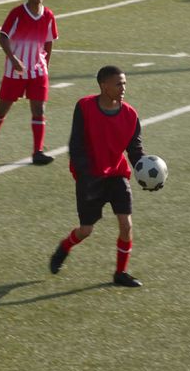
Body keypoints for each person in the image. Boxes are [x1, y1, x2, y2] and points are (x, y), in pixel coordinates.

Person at [49, 65, 160, 287]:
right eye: (118, 84)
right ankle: (65, 247)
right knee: (86, 230)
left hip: (117, 175)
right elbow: (76, 144)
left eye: (125, 83)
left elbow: (135, 149)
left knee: (126, 224)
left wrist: (146, 171)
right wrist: (85, 174)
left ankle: (121, 273)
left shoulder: (130, 114)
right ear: (104, 86)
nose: (123, 88)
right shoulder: (85, 107)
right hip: (90, 177)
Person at [0, 0, 58, 165]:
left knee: (39, 109)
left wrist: (46, 65)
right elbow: (3, 37)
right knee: (3, 108)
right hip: (14, 71)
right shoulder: (17, 13)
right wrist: (13, 58)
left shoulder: (49, 15)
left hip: (38, 72)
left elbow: (49, 42)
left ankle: (37, 152)